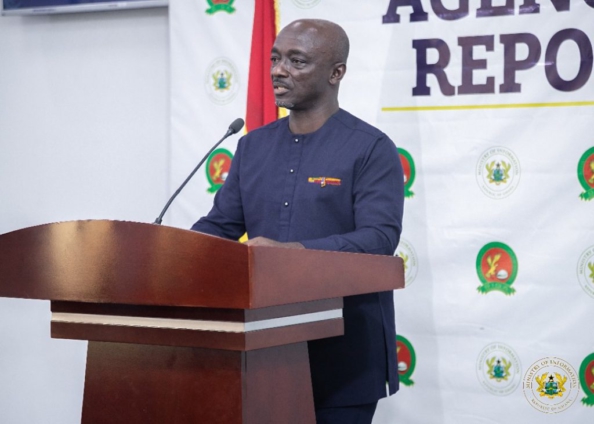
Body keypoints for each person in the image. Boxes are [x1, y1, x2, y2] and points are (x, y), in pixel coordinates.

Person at [192, 19, 404, 424]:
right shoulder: (251, 146)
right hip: (262, 348)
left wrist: (292, 253)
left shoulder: (371, 148)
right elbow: (220, 227)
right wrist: (171, 253)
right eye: (275, 58)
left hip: (343, 355)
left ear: (336, 73)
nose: (278, 70)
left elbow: (379, 239)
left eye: (296, 61)